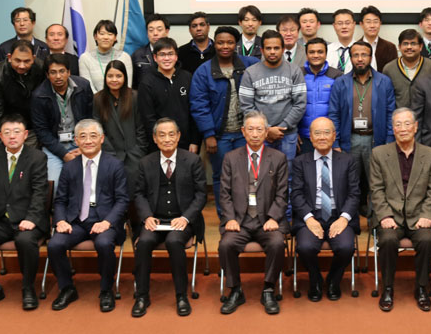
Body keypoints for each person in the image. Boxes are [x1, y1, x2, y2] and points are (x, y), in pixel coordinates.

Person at [48, 119, 129, 312]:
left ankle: (106, 290)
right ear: (76, 140)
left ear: (102, 139)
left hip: (104, 219)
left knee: (103, 243)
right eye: (83, 136)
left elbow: (122, 200)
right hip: (75, 221)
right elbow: (60, 200)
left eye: (93, 136)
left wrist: (107, 222)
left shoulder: (115, 165)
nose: (88, 140)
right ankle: (67, 288)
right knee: (55, 244)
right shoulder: (69, 167)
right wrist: (59, 220)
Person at [0, 116, 49, 311]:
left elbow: (40, 193)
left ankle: (28, 287)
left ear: (25, 135)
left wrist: (31, 219)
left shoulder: (37, 157)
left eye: (16, 132)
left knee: (25, 241)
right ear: (0, 136)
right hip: (0, 220)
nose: (12, 136)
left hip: (28, 220)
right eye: (7, 132)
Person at [131, 118, 207, 317]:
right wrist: (147, 216)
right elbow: (138, 194)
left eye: (171, 134)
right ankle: (141, 295)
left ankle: (181, 295)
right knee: (144, 242)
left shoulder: (192, 161)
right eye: (162, 135)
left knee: (174, 241)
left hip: (182, 220)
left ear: (179, 136)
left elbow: (201, 195)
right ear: (155, 139)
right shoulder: (145, 163)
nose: (167, 139)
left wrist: (186, 218)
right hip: (155, 220)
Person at [218, 111, 289, 315]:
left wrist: (274, 217)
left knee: (277, 243)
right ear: (243, 131)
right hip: (239, 220)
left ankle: (268, 288)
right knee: (226, 244)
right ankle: (235, 289)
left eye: (260, 129)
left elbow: (283, 193)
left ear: (267, 132)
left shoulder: (278, 158)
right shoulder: (231, 158)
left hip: (266, 220)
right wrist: (230, 218)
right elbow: (224, 193)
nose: (255, 133)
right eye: (251, 129)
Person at [370, 108, 431, 312]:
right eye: (398, 125)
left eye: (407, 124)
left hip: (420, 217)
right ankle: (388, 288)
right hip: (390, 217)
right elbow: (376, 189)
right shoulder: (379, 154)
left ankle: (421, 288)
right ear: (393, 129)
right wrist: (384, 215)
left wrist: (428, 215)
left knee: (427, 240)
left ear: (416, 126)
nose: (403, 129)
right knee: (388, 240)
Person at [189, 26, 259, 216]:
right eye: (220, 42)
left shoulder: (251, 65)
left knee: (250, 176)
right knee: (222, 177)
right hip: (220, 136)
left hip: (247, 134)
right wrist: (209, 134)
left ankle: (250, 214)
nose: (225, 46)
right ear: (215, 44)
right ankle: (225, 216)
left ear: (236, 45)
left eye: (229, 42)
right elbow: (199, 105)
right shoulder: (203, 72)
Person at [291, 117, 359, 301]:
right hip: (311, 216)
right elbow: (296, 194)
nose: (322, 137)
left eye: (326, 132)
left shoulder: (348, 161)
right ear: (310, 137)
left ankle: (333, 280)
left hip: (339, 215)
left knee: (346, 247)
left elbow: (354, 194)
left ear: (334, 135)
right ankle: (315, 280)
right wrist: (309, 219)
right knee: (304, 246)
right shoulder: (300, 162)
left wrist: (344, 218)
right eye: (317, 133)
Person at [328, 41, 396, 212]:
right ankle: (349, 220)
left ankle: (376, 220)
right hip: (349, 139)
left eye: (364, 55)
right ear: (350, 58)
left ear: (370, 57)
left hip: (376, 139)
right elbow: (334, 114)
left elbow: (390, 114)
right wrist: (335, 143)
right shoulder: (341, 82)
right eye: (356, 55)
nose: (360, 59)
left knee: (377, 182)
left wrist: (389, 141)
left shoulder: (384, 82)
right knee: (348, 181)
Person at [239, 30, 307, 165]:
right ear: (262, 50)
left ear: (283, 49)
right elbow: (246, 106)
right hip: (260, 135)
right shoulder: (250, 72)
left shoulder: (294, 71)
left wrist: (281, 128)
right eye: (268, 48)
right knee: (261, 176)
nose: (272, 52)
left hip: (287, 134)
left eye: (276, 48)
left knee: (288, 175)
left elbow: (300, 104)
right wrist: (267, 130)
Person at [93, 60, 148, 213]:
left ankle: (136, 223)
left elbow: (141, 128)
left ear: (125, 77)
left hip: (134, 154)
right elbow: (98, 131)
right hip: (109, 154)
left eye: (118, 76)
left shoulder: (134, 96)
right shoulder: (98, 98)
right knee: (111, 192)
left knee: (135, 192)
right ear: (105, 78)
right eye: (110, 76)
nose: (114, 80)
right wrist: (110, 154)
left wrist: (138, 152)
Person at [32, 54, 93, 184]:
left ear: (69, 72)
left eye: (62, 71)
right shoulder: (39, 96)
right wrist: (64, 154)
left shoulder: (83, 87)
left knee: (89, 181)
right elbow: (42, 131)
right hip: (54, 145)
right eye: (53, 72)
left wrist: (84, 144)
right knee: (53, 186)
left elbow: (90, 118)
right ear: (47, 75)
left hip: (81, 142)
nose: (58, 76)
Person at [139, 37, 199, 152]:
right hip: (160, 144)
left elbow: (194, 111)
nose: (166, 58)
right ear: (155, 58)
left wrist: (195, 141)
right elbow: (148, 118)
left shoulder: (187, 77)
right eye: (162, 55)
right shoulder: (147, 82)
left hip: (186, 143)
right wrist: (159, 140)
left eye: (170, 54)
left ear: (176, 56)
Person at [0, 40, 46, 146]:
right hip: (8, 130)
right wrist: (2, 143)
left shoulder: (41, 69)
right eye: (17, 60)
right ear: (9, 57)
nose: (22, 66)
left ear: (34, 58)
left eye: (27, 61)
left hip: (34, 129)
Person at [299, 37, 342, 154]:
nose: (316, 55)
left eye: (320, 52)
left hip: (328, 138)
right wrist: (294, 133)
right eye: (312, 52)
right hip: (303, 137)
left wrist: (336, 138)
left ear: (326, 54)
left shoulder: (337, 75)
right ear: (306, 54)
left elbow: (339, 110)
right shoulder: (298, 73)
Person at [383, 28, 431, 108]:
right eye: (405, 44)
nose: (409, 47)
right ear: (399, 47)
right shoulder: (389, 69)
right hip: (399, 118)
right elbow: (386, 99)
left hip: (426, 118)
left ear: (420, 47)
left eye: (413, 43)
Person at [78, 19, 132, 93]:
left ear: (115, 37)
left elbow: (127, 86)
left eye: (110, 34)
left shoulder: (125, 57)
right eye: (102, 34)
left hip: (121, 101)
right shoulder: (85, 58)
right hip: (95, 102)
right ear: (95, 36)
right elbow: (87, 87)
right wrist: (100, 101)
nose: (106, 37)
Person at [131, 13, 170, 89]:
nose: (155, 33)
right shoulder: (137, 55)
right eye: (151, 30)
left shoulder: (175, 54)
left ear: (167, 31)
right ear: (147, 33)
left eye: (159, 30)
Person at [358, 5, 397, 70]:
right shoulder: (355, 47)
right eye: (368, 22)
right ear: (361, 24)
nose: (372, 25)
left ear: (380, 23)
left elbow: (393, 72)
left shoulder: (390, 47)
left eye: (375, 22)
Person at [326, 8, 357, 74]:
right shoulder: (327, 50)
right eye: (340, 23)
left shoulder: (365, 50)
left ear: (354, 25)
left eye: (347, 23)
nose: (344, 26)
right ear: (334, 26)